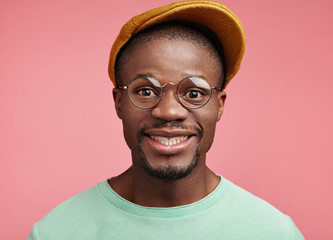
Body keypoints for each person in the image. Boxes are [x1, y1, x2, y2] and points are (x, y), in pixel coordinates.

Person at [27, 1, 305, 239]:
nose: (169, 111)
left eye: (194, 93)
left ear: (219, 106)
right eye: (146, 91)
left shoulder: (273, 232)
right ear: (119, 102)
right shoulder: (56, 232)